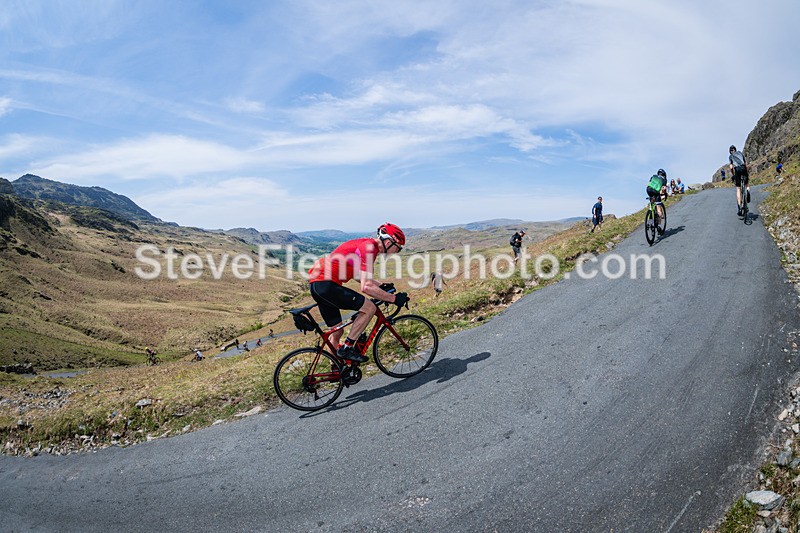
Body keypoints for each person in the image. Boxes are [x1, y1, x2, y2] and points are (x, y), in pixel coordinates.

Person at [307, 223, 408, 363]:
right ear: (388, 242)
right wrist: (394, 299)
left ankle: (336, 368)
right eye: (398, 248)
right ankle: (347, 348)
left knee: (337, 331)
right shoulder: (369, 248)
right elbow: (366, 287)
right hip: (326, 284)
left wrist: (380, 285)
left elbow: (357, 274)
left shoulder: (365, 245)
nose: (397, 252)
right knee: (370, 308)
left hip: (318, 285)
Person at [728, 145, 750, 215]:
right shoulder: (740, 153)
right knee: (746, 183)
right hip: (743, 168)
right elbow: (746, 164)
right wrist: (747, 172)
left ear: (730, 151)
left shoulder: (731, 156)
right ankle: (748, 191)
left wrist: (733, 175)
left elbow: (731, 167)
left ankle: (740, 207)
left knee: (738, 188)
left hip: (737, 169)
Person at [646, 169, 668, 235]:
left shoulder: (653, 176)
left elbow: (648, 184)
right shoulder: (664, 179)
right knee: (658, 209)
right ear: (664, 175)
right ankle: (658, 226)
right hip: (656, 192)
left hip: (648, 190)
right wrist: (665, 194)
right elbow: (664, 188)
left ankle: (649, 222)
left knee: (652, 206)